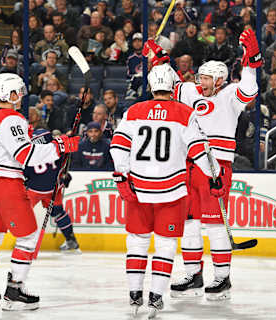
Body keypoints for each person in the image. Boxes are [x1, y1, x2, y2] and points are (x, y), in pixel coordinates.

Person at [145, 28, 260, 300]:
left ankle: (222, 277)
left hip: (216, 165)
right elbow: (167, 83)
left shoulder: (230, 95)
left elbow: (250, 88)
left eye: (208, 78)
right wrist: (158, 57)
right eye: (201, 77)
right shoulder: (189, 90)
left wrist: (252, 59)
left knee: (215, 225)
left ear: (219, 80)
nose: (203, 81)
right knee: (189, 223)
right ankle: (193, 274)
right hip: (188, 165)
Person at [109, 63, 226, 318]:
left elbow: (118, 146)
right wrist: (215, 176)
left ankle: (134, 294)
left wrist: (122, 174)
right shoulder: (185, 113)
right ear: (174, 86)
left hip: (139, 189)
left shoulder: (133, 111)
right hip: (171, 192)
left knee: (137, 242)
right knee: (165, 245)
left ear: (150, 86)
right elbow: (199, 151)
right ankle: (156, 297)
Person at [0, 73, 79, 310]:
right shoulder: (12, 119)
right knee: (28, 237)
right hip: (5, 183)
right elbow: (26, 156)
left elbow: (5, 146)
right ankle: (14, 291)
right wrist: (60, 145)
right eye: (18, 91)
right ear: (11, 94)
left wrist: (32, 139)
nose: (21, 96)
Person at [24, 126, 81, 253]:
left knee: (24, 214)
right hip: (54, 188)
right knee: (59, 213)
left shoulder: (32, 152)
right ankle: (71, 240)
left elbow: (26, 172)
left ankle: (26, 243)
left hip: (34, 189)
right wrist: (65, 175)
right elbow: (63, 163)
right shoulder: (56, 150)